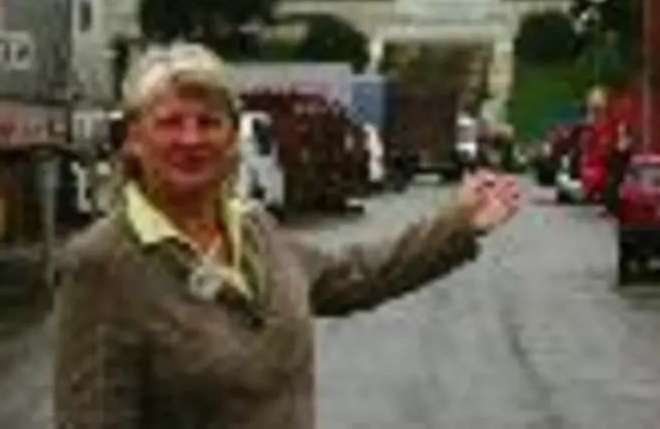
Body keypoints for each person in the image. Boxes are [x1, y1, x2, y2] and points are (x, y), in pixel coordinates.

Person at [54, 43, 523, 429]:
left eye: (209, 122)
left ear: (232, 139)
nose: (191, 139)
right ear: (135, 139)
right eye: (171, 122)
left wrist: (456, 224)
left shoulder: (253, 227)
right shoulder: (103, 262)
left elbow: (353, 276)